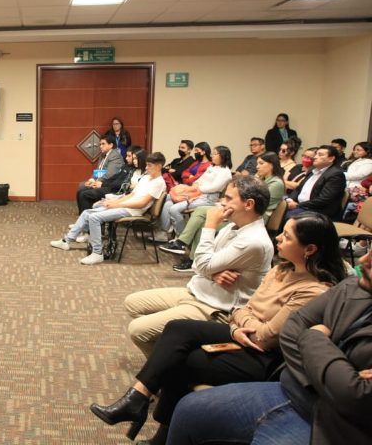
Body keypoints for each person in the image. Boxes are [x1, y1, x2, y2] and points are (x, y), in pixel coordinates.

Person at [90, 212, 345, 445]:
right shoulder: (281, 269)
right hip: (243, 334)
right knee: (177, 330)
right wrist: (239, 323)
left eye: (287, 236)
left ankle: (145, 411)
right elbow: (242, 308)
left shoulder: (314, 290)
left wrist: (243, 319)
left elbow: (267, 337)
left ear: (309, 249)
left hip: (267, 358)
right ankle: (142, 403)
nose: (278, 237)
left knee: (182, 358)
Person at [166, 250, 371, 445]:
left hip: (339, 425)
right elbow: (291, 330)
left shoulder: (319, 287)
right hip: (289, 389)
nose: (362, 260)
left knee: (188, 354)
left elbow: (354, 398)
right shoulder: (351, 287)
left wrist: (314, 337)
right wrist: (339, 376)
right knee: (188, 409)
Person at [124, 176, 274, 357]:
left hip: (215, 307)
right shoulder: (233, 226)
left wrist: (210, 226)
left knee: (137, 330)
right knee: (132, 303)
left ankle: (169, 371)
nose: (222, 203)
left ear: (248, 204)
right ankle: (175, 347)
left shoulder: (254, 241)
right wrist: (212, 274)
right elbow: (197, 263)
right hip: (198, 290)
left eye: (228, 198)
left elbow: (202, 263)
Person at [161, 152, 285, 272]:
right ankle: (188, 250)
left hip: (254, 217)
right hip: (243, 212)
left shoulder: (275, 184)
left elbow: (258, 205)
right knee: (201, 214)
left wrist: (226, 206)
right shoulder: (260, 179)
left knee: (205, 221)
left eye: (261, 163)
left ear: (272, 164)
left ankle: (187, 250)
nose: (257, 167)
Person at [51, 152, 165, 265]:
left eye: (149, 165)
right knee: (86, 212)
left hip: (132, 211)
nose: (146, 167)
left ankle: (97, 253)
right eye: (147, 164)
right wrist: (114, 202)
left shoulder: (159, 183)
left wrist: (117, 205)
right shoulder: (146, 178)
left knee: (94, 217)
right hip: (125, 206)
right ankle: (67, 241)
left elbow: (141, 203)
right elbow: (131, 195)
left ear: (159, 166)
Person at [155, 145, 232, 241]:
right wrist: (194, 186)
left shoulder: (226, 172)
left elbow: (215, 187)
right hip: (197, 193)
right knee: (167, 200)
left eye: (215, 154)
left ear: (223, 156)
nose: (212, 156)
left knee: (174, 209)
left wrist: (197, 188)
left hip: (208, 198)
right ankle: (164, 232)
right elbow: (200, 180)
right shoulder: (212, 167)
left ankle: (181, 239)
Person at [285, 144, 346, 219]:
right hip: (302, 206)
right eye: (316, 154)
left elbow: (324, 200)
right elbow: (298, 189)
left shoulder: (336, 175)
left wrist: (298, 205)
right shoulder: (312, 170)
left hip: (318, 211)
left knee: (289, 216)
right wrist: (290, 200)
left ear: (331, 159)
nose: (315, 157)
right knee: (277, 208)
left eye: (320, 155)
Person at [75, 136, 126, 212]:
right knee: (81, 188)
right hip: (100, 181)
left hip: (108, 185)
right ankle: (82, 216)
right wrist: (92, 179)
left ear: (111, 145)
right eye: (100, 144)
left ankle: (87, 217)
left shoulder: (115, 156)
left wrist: (96, 183)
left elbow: (109, 174)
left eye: (103, 144)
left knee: (83, 192)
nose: (100, 146)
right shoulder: (102, 155)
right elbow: (99, 170)